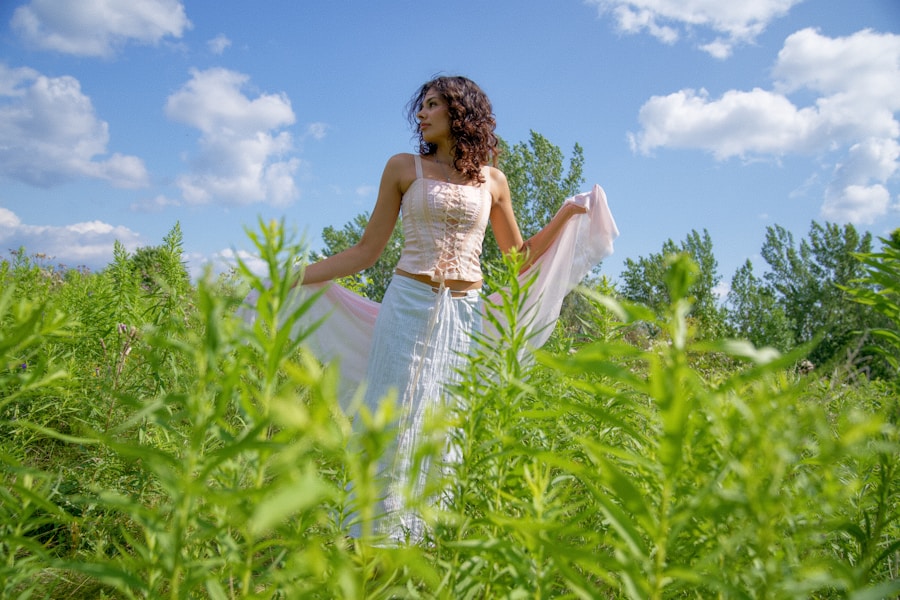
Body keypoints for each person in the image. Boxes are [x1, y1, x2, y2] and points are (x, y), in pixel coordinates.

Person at [273, 76, 618, 543]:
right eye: (423, 106)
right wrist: (293, 275)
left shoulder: (493, 181)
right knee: (389, 414)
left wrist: (567, 212)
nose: (421, 114)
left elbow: (516, 258)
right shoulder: (402, 167)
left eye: (432, 105)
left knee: (446, 420)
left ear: (460, 113)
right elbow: (365, 252)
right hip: (408, 303)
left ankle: (427, 541)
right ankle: (370, 539)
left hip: (464, 314)